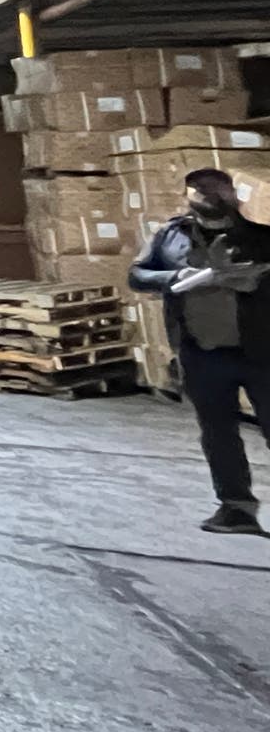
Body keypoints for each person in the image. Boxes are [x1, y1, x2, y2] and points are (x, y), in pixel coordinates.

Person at [130, 167, 270, 533]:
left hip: (261, 353)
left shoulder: (259, 236)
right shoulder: (170, 237)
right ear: (188, 196)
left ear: (233, 195)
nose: (210, 196)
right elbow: (137, 275)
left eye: (217, 189)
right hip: (202, 352)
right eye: (201, 190)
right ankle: (236, 508)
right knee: (218, 432)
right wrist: (174, 279)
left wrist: (254, 282)